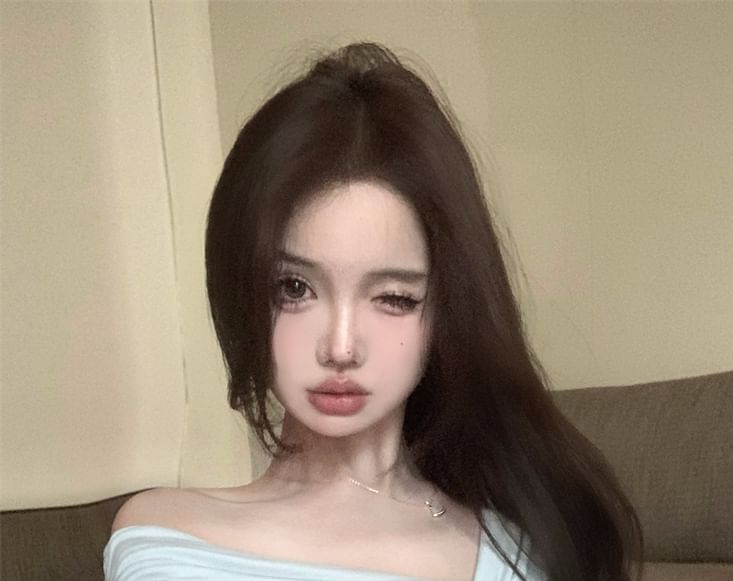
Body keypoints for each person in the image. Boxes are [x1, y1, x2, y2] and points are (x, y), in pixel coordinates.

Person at [104, 42, 643, 581]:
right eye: (294, 288)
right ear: (240, 289)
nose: (340, 347)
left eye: (394, 298)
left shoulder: (516, 555)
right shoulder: (162, 536)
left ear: (445, 313)